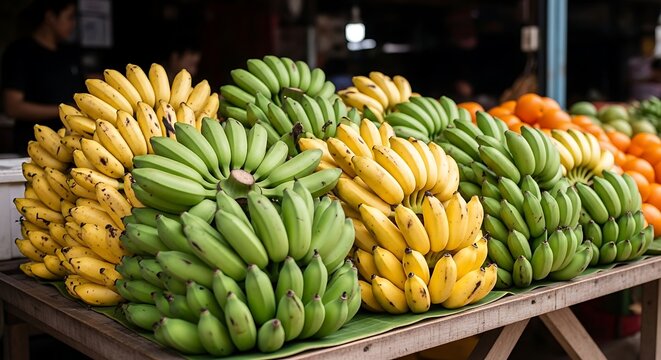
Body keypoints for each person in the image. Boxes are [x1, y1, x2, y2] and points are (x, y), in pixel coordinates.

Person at [1, 0, 82, 154]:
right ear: (50, 17)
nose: (74, 24)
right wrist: (63, 109)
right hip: (33, 148)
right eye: (69, 17)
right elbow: (12, 106)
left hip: (72, 148)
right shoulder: (20, 52)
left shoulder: (70, 53)